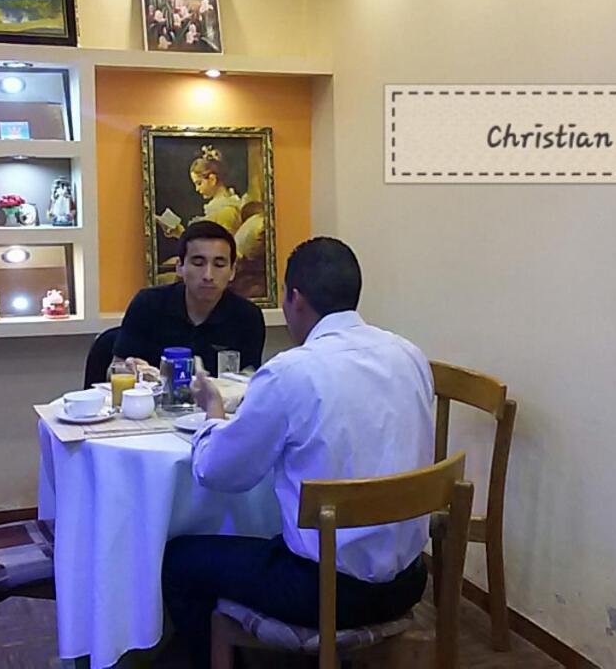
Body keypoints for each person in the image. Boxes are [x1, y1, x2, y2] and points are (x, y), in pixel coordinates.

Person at [161, 237, 435, 668]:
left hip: (322, 592)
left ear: (295, 298)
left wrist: (213, 413)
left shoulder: (291, 372)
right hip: (409, 581)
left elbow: (220, 473)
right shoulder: (410, 355)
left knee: (179, 559)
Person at [113, 220, 264, 374]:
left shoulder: (248, 316)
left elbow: (251, 377)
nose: (208, 275)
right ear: (180, 267)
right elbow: (115, 369)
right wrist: (129, 371)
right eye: (198, 263)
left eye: (219, 265)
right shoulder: (147, 304)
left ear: (232, 271)